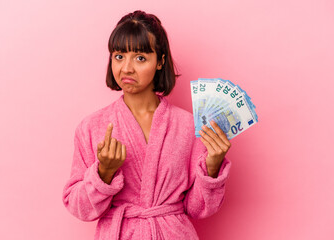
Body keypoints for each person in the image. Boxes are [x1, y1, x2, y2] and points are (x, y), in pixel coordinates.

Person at [62, 10, 232, 240]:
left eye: (140, 58)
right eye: (119, 56)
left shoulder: (188, 126)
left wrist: (212, 168)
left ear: (160, 61)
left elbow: (198, 209)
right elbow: (78, 207)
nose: (127, 68)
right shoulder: (91, 127)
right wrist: (104, 173)